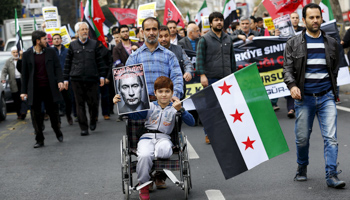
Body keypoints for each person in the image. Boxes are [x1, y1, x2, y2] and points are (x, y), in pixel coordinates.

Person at [283, 3, 345, 188]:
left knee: (331, 138)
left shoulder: (332, 42)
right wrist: (293, 86)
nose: (315, 20)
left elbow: (334, 69)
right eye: (311, 17)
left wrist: (333, 92)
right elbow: (287, 69)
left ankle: (331, 175)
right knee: (302, 139)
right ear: (304, 20)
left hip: (326, 97)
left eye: (318, 17)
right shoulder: (293, 43)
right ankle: (302, 167)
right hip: (304, 99)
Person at [113, 76, 195, 200]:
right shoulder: (149, 106)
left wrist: (181, 110)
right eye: (160, 91)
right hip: (147, 137)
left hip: (164, 138)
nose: (164, 95)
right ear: (155, 93)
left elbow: (192, 122)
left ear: (172, 93)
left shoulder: (175, 108)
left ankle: (152, 167)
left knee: (164, 150)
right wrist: (120, 103)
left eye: (167, 91)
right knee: (145, 155)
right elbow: (133, 115)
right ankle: (144, 185)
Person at [196, 12, 236, 144]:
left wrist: (234, 75)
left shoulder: (228, 38)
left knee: (227, 108)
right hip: (211, 78)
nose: (219, 22)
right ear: (211, 23)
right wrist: (202, 75)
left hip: (227, 79)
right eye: (216, 20)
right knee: (211, 108)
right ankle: (209, 134)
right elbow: (199, 59)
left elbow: (232, 59)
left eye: (221, 20)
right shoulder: (204, 39)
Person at [20, 30, 64, 148]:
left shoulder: (51, 52)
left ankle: (58, 132)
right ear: (38, 41)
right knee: (36, 117)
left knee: (54, 114)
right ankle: (39, 139)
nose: (47, 41)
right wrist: (23, 91)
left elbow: (57, 68)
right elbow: (25, 75)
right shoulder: (27, 54)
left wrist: (60, 80)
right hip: (35, 90)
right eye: (45, 39)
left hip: (50, 89)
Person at [63, 22, 107, 136]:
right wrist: (65, 79)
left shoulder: (94, 44)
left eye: (86, 29)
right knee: (80, 104)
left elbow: (100, 62)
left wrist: (102, 76)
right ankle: (83, 127)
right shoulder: (72, 46)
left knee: (93, 103)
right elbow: (67, 63)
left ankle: (93, 120)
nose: (85, 31)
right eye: (82, 29)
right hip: (76, 79)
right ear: (77, 32)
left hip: (91, 78)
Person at [126, 17, 184, 102]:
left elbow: (177, 78)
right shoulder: (134, 57)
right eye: (148, 29)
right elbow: (127, 82)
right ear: (142, 32)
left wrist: (175, 95)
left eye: (154, 29)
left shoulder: (170, 56)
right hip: (142, 105)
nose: (151, 33)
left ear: (159, 31)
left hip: (165, 105)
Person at [112, 25, 140, 120]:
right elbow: (117, 62)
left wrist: (136, 49)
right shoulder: (116, 48)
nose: (125, 33)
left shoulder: (136, 45)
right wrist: (128, 70)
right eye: (123, 31)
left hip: (137, 74)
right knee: (124, 93)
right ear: (120, 34)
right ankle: (123, 111)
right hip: (123, 74)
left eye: (127, 31)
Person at [158, 25, 193, 96]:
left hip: (177, 90)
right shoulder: (153, 52)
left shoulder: (179, 49)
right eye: (160, 36)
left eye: (166, 36)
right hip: (160, 92)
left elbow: (188, 63)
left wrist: (188, 72)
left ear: (170, 36)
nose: (163, 39)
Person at [1, 46, 27, 120]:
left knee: (24, 97)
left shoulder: (22, 59)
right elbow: (4, 71)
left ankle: (23, 112)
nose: (16, 54)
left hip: (22, 81)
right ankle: (19, 113)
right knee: (16, 99)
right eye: (14, 52)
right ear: (11, 53)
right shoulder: (9, 61)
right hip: (13, 82)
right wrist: (3, 78)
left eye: (17, 52)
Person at [52, 34, 73, 125]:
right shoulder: (51, 52)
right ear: (52, 41)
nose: (56, 40)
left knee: (68, 100)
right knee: (56, 101)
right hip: (55, 80)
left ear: (61, 40)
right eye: (54, 39)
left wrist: (67, 78)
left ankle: (68, 115)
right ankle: (58, 120)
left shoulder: (67, 51)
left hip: (66, 79)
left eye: (58, 39)